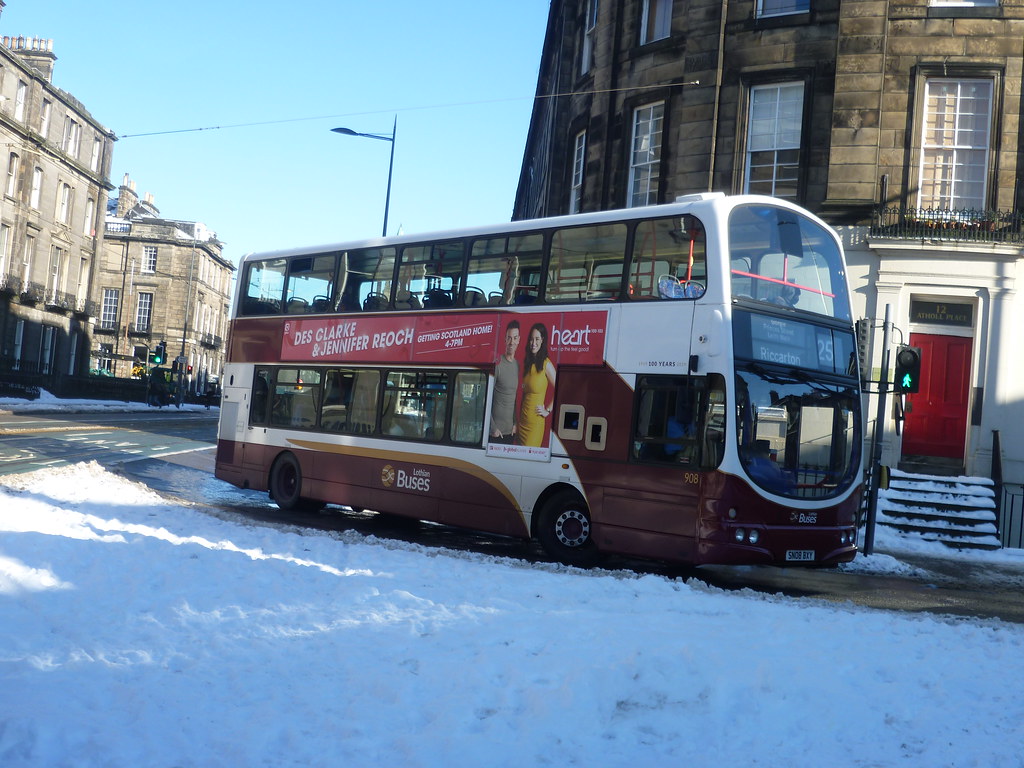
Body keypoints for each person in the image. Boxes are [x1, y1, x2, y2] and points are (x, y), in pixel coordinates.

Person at [517, 322, 556, 447]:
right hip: (522, 423)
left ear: (542, 340)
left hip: (534, 426)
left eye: (537, 339)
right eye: (531, 339)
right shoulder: (528, 364)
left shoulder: (546, 364)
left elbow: (561, 388)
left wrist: (547, 410)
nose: (533, 343)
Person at [489, 320, 521, 443]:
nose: (511, 342)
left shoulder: (517, 365)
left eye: (515, 338)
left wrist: (515, 423)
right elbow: (486, 397)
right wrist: (493, 428)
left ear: (519, 340)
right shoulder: (498, 364)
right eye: (509, 338)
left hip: (510, 433)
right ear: (505, 339)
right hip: (496, 434)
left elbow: (514, 397)